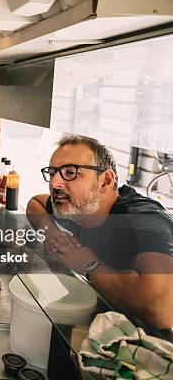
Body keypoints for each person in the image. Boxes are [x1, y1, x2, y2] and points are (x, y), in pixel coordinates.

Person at [27, 134, 173, 329]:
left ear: (106, 181)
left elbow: (160, 308)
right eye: (52, 173)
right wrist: (53, 235)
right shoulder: (78, 208)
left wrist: (89, 265)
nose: (55, 183)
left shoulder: (142, 219)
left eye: (70, 172)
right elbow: (35, 203)